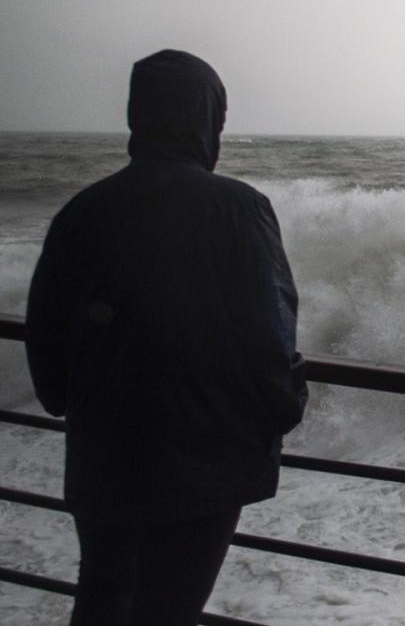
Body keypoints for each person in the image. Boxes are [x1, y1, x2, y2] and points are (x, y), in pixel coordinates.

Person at [25, 49, 307, 626]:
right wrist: (286, 406)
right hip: (203, 461)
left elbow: (47, 340)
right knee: (169, 609)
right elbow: (268, 330)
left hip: (104, 453)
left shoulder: (83, 210)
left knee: (103, 597)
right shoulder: (239, 209)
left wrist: (68, 400)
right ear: (206, 118)